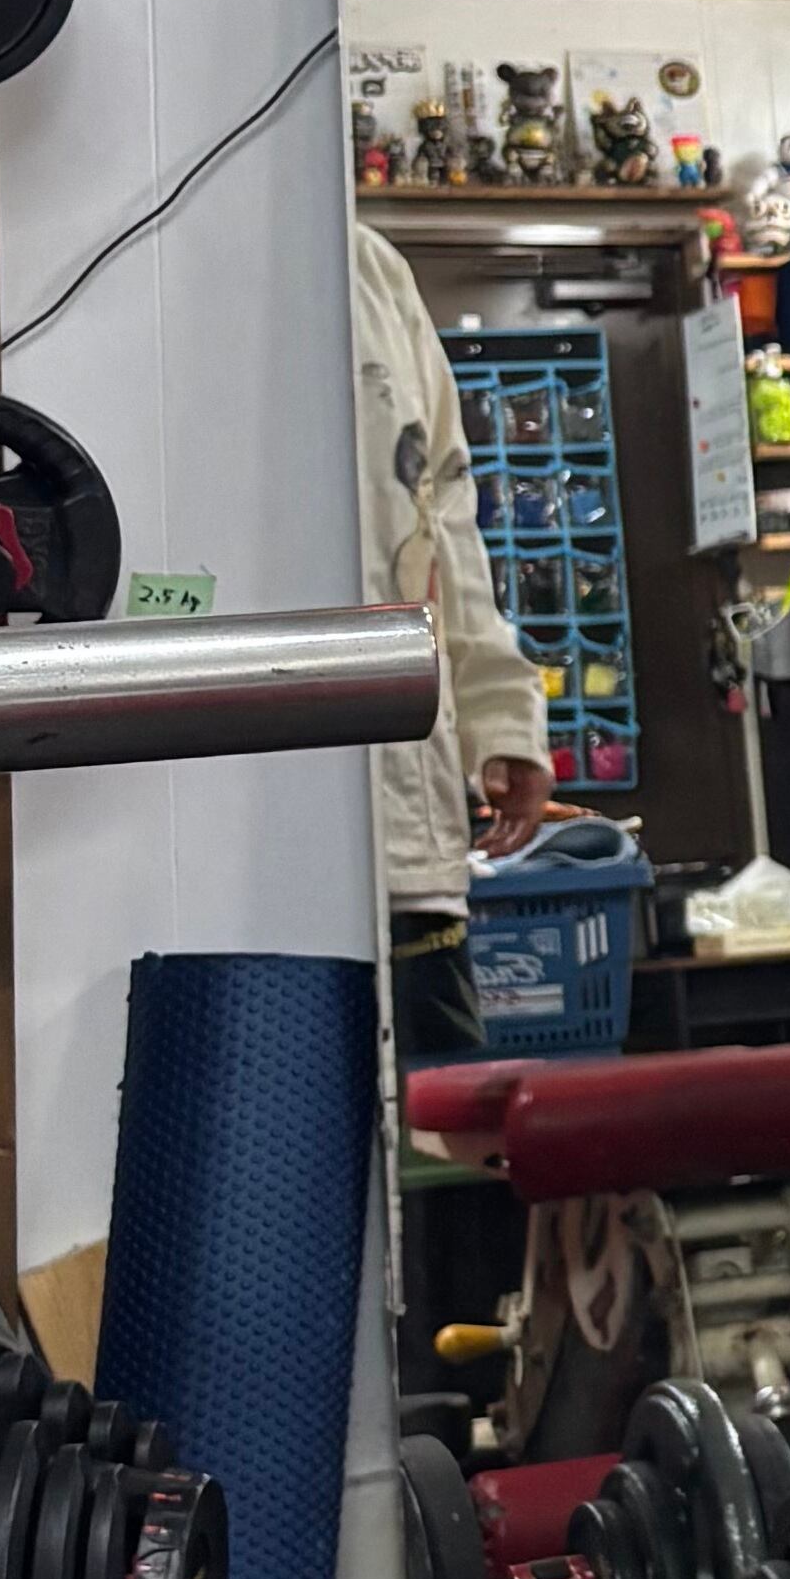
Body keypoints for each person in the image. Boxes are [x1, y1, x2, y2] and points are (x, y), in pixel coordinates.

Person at [351, 209, 556, 1071]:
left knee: (444, 1123)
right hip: (217, 802)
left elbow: (444, 514)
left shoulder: (369, 268)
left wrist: (500, 714)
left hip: (401, 811)